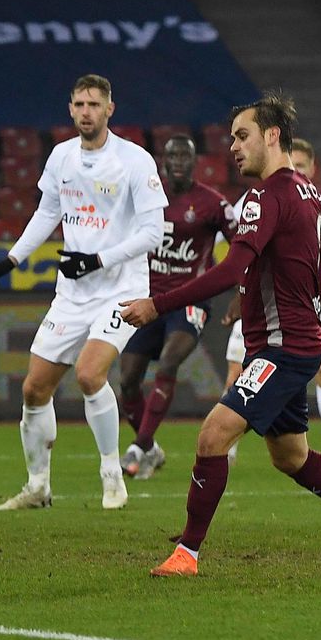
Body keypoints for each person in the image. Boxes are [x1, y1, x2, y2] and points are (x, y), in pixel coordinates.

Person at [120, 92, 321, 576]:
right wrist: (252, 293)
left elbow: (232, 265)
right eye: (231, 138)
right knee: (291, 456)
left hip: (283, 347)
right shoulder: (310, 195)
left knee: (213, 435)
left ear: (272, 135)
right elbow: (301, 271)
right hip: (295, 340)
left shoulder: (263, 197)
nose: (232, 147)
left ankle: (187, 554)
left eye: (242, 136)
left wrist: (158, 304)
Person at [0, 74, 167, 511]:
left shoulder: (134, 161)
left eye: (94, 104)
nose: (86, 111)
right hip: (73, 291)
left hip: (121, 289)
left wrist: (99, 260)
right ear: (70, 109)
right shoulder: (61, 157)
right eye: (79, 104)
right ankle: (38, 487)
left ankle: (111, 474)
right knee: (33, 389)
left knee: (89, 374)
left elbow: (153, 233)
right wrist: (11, 259)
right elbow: (48, 212)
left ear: (109, 109)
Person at [222, 138, 321, 468]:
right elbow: (233, 247)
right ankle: (226, 447)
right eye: (293, 165)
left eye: (302, 166)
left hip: (299, 307)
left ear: (313, 169)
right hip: (258, 303)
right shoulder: (256, 198)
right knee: (238, 372)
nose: (295, 171)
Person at [117, 135, 236, 480]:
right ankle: (151, 450)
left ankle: (139, 447)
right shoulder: (146, 197)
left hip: (190, 300)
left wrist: (240, 292)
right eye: (174, 156)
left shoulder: (212, 203)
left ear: (195, 161)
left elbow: (242, 244)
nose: (180, 161)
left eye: (186, 155)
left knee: (169, 360)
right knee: (127, 380)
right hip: (149, 300)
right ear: (164, 162)